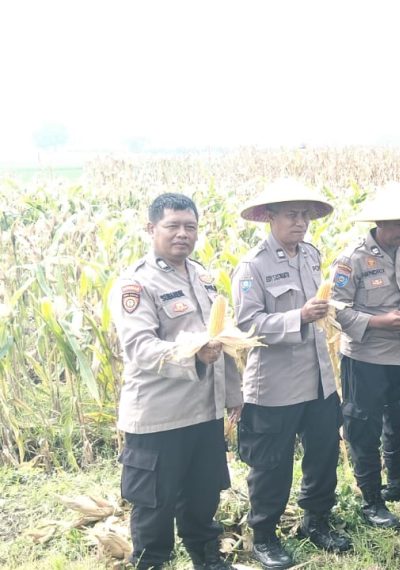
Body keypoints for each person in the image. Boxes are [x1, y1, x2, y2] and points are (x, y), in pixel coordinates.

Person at [109, 193, 241, 570]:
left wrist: (234, 393)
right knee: (154, 502)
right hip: (159, 416)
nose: (183, 234)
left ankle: (207, 557)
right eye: (173, 226)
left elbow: (221, 338)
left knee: (203, 493)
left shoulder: (202, 276)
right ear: (151, 229)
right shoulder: (136, 284)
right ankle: (152, 562)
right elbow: (140, 347)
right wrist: (193, 354)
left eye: (190, 227)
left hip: (204, 411)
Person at [231, 179, 351, 568]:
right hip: (275, 385)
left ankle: (316, 521)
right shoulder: (253, 266)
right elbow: (247, 324)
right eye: (290, 215)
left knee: (323, 454)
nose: (300, 222)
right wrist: (298, 316)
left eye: (304, 215)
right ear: (270, 217)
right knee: (272, 464)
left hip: (318, 378)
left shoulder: (311, 256)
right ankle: (264, 536)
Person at [331, 183, 400, 530]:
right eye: (396, 224)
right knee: (363, 428)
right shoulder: (352, 259)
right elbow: (336, 311)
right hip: (364, 358)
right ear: (378, 223)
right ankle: (371, 500)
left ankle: (399, 483)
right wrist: (380, 322)